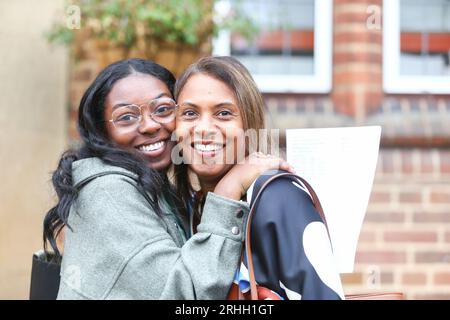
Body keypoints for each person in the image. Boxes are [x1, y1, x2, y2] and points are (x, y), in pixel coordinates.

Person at [43, 58, 290, 300]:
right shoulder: (108, 192)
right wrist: (228, 190)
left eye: (162, 110)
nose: (150, 126)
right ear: (101, 132)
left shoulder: (158, 190)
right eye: (127, 117)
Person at [174, 56, 345, 300]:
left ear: (249, 123)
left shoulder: (277, 196)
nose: (203, 129)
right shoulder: (189, 209)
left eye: (223, 113)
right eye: (190, 113)